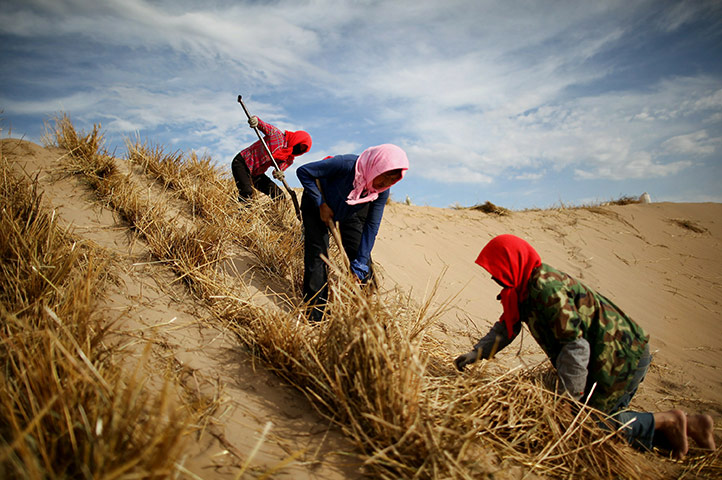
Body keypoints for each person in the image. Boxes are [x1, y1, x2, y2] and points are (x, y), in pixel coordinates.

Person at [454, 234, 715, 459]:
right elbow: (505, 329)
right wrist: (474, 355)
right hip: (603, 360)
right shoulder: (521, 290)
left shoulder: (545, 288)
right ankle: (691, 427)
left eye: (496, 270)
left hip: (620, 357)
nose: (493, 277)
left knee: (586, 427)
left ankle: (669, 420)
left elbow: (575, 347)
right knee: (587, 427)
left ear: (512, 262)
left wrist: (569, 400)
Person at [296, 144, 409, 322]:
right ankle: (315, 317)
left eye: (391, 181)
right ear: (377, 165)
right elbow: (304, 171)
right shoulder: (346, 164)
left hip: (349, 208)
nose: (383, 183)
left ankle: (369, 319)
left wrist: (360, 264)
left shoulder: (380, 191)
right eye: (384, 176)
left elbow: (371, 226)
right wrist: (320, 203)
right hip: (317, 205)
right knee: (318, 256)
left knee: (362, 260)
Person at [231, 115, 312, 201]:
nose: (299, 149)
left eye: (303, 150)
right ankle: (238, 212)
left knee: (279, 196)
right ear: (297, 139)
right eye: (300, 145)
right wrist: (256, 121)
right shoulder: (277, 135)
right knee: (247, 192)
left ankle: (273, 214)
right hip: (243, 162)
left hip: (256, 174)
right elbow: (263, 125)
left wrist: (279, 173)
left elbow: (277, 171)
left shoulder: (289, 159)